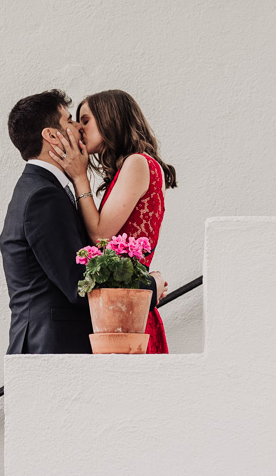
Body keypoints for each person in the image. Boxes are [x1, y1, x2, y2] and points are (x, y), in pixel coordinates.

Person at [1, 89, 163, 354]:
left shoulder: (43, 189)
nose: (78, 127)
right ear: (52, 135)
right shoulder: (43, 195)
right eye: (70, 120)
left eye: (83, 120)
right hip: (51, 348)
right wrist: (150, 286)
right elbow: (79, 283)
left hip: (57, 346)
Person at [50, 89, 177, 354]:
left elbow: (100, 234)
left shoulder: (137, 163)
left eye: (86, 120)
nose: (80, 129)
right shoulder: (131, 166)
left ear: (110, 118)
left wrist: (80, 177)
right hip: (125, 310)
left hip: (128, 315)